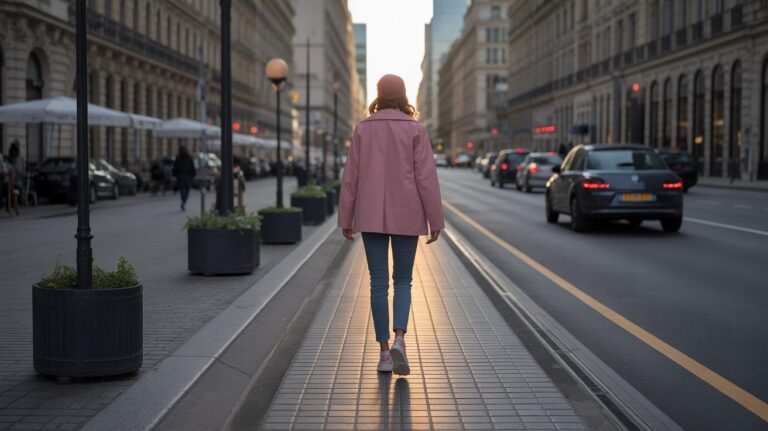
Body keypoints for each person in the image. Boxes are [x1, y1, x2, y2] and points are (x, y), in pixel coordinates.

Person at [338, 74, 444, 376]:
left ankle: (384, 353)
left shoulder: (362, 129)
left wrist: (346, 217)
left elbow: (351, 178)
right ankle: (400, 338)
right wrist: (435, 219)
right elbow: (426, 178)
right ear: (403, 95)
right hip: (407, 213)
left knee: (377, 283)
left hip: (370, 214)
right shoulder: (415, 130)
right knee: (403, 280)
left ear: (379, 95)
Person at [172, 146, 196, 211]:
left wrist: (175, 175)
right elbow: (192, 167)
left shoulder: (178, 158)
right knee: (187, 191)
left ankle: (183, 202)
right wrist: (193, 175)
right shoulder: (189, 158)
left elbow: (175, 168)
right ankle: (183, 202)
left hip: (181, 177)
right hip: (188, 177)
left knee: (183, 191)